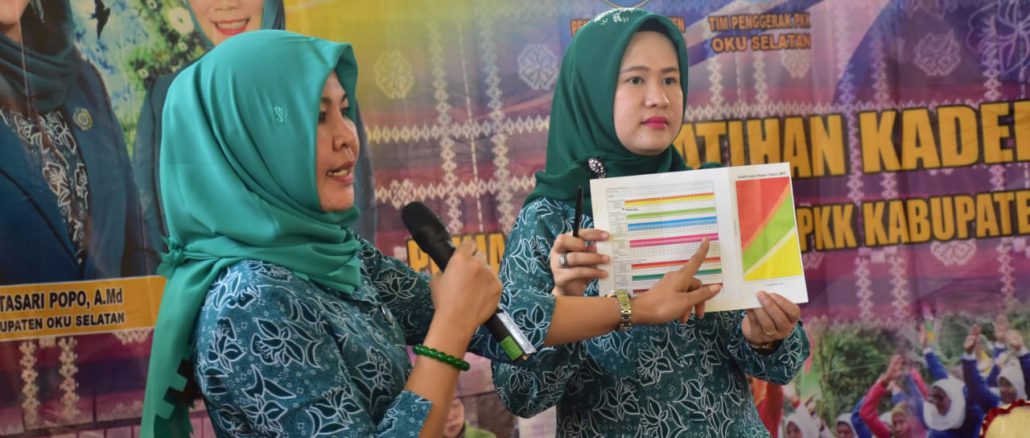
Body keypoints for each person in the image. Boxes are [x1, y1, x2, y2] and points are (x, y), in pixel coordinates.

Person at [139, 29, 719, 438]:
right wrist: (447, 331)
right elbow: (455, 322)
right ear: (248, 141)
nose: (347, 137)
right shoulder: (250, 302)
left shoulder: (336, 257)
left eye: (345, 110)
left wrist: (634, 308)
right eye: (318, 117)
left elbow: (498, 318)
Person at [490, 8, 809, 437]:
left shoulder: (717, 195)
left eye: (670, 79)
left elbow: (785, 362)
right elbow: (519, 393)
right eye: (636, 79)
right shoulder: (549, 222)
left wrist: (766, 336)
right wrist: (563, 301)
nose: (659, 97)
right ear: (591, 90)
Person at [0, 0, 154, 430]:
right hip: (13, 406)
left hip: (116, 398)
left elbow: (135, 240)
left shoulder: (81, 80)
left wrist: (149, 359)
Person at [132, 0, 378, 265]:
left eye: (343, 111)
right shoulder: (249, 288)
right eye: (318, 116)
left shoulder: (320, 79)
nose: (226, 4)